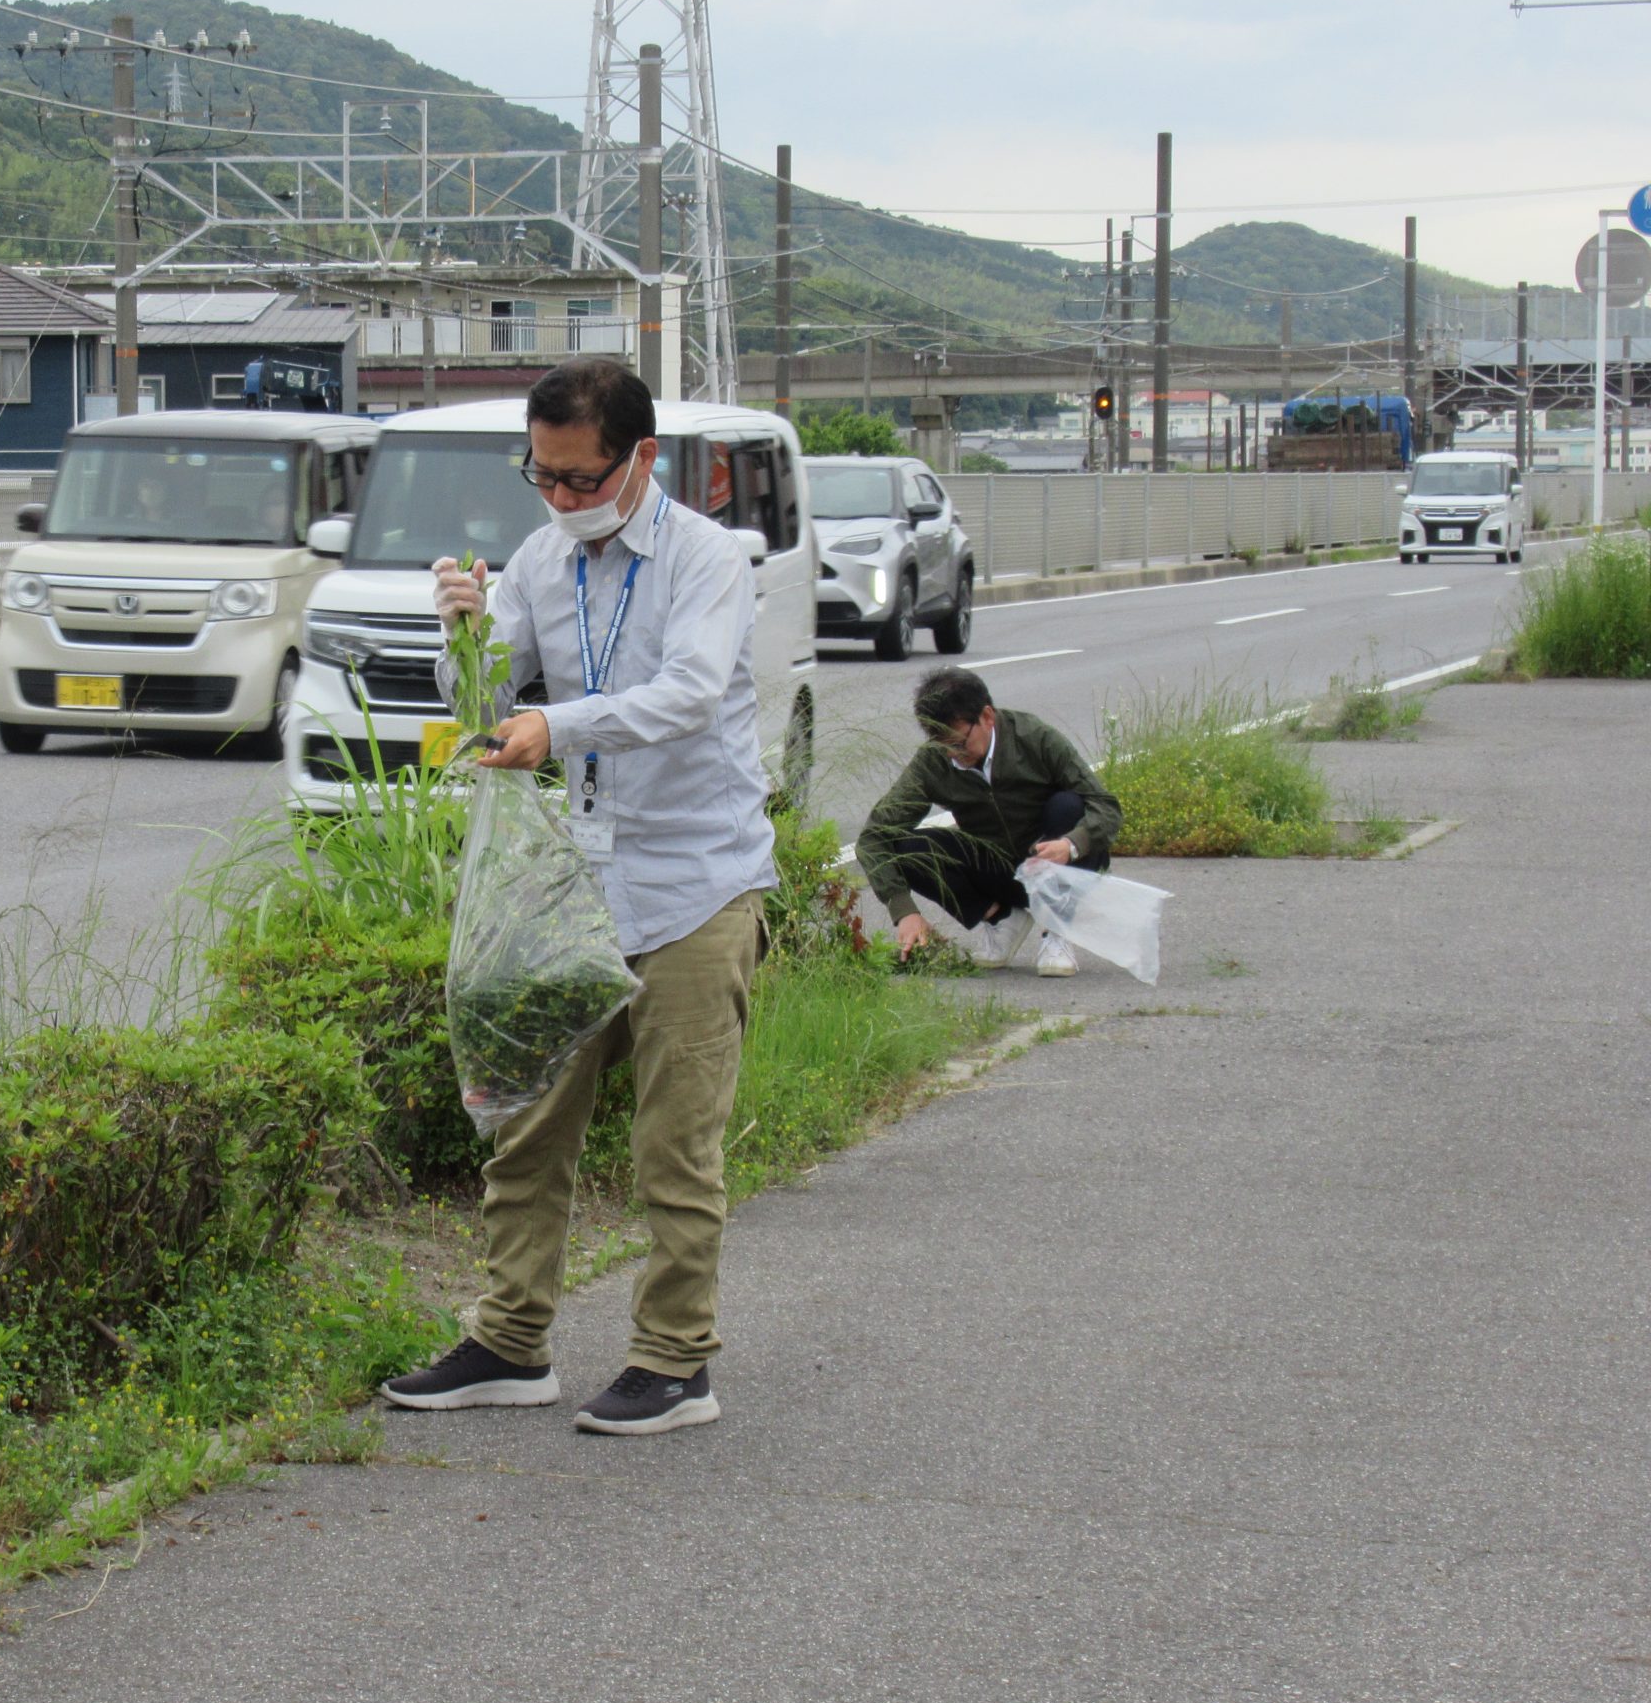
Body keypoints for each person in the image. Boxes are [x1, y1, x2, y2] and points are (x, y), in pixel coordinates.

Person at [378, 358, 774, 1437]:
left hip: (698, 880)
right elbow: (482, 701)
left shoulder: (709, 559)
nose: (557, 500)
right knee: (526, 1115)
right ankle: (510, 1342)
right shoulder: (542, 561)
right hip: (581, 877)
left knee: (673, 1143)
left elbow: (689, 694)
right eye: (539, 477)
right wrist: (461, 630)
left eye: (578, 478)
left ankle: (674, 1360)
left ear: (640, 458)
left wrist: (560, 724)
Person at [858, 666, 1122, 977]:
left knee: (1068, 805)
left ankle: (1057, 930)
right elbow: (873, 837)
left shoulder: (1034, 738)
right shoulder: (933, 761)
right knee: (908, 847)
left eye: (959, 743)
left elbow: (1106, 806)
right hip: (998, 870)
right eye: (942, 746)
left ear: (986, 717)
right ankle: (1001, 919)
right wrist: (903, 910)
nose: (953, 756)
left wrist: (1072, 844)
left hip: (1057, 865)